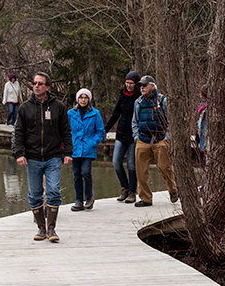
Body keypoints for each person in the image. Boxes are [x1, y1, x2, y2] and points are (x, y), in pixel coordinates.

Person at [13, 72, 72, 242]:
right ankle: (41, 228)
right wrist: (19, 153)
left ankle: (52, 229)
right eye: (35, 83)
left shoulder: (58, 107)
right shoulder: (25, 107)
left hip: (53, 156)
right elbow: (18, 133)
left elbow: (66, 132)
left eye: (40, 83)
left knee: (53, 191)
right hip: (32, 157)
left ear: (47, 87)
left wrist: (68, 152)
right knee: (35, 194)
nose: (36, 86)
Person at [131, 75, 178, 207]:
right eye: (140, 85)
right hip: (142, 138)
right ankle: (145, 198)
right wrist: (136, 137)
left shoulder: (162, 100)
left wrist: (167, 138)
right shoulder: (138, 102)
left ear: (152, 86)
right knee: (140, 171)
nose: (142, 88)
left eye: (144, 85)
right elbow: (134, 121)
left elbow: (170, 121)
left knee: (164, 167)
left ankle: (173, 189)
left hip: (160, 138)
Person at [105, 71, 141, 203]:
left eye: (131, 83)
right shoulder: (122, 95)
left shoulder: (139, 98)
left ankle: (132, 191)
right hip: (121, 134)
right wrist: (106, 129)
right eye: (127, 83)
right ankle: (124, 187)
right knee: (116, 162)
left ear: (136, 84)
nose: (129, 85)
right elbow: (115, 114)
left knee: (131, 165)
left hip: (133, 136)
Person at [68, 88, 106, 211]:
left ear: (89, 99)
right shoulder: (71, 114)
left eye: (85, 98)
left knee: (86, 172)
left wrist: (92, 143)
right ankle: (78, 200)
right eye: (81, 97)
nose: (83, 100)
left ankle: (89, 197)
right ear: (77, 99)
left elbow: (100, 131)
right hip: (75, 148)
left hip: (88, 149)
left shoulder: (95, 113)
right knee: (76, 175)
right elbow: (65, 130)